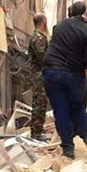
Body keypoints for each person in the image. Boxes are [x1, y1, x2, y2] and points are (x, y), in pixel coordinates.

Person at [42, 8, 87, 158]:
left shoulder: (61, 25)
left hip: (50, 71)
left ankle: (68, 148)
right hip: (72, 73)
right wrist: (83, 79)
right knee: (77, 107)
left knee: (60, 110)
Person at [27, 13, 49, 141]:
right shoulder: (37, 38)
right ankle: (36, 133)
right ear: (44, 22)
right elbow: (42, 58)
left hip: (41, 74)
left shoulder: (39, 37)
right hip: (39, 74)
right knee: (39, 103)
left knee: (41, 102)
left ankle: (38, 130)